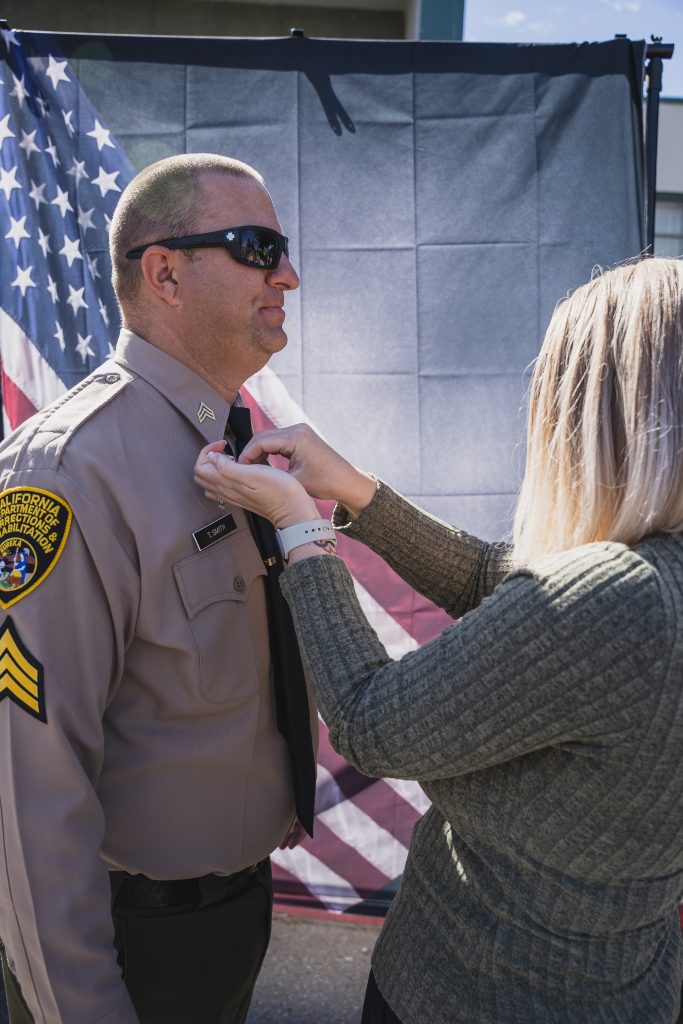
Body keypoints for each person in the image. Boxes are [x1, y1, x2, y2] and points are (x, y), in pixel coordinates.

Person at [194, 256, 683, 1024]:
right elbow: (505, 580)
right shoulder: (652, 580)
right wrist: (354, 489)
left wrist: (302, 531)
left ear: (594, 414)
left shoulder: (620, 599)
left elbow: (368, 721)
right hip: (618, 990)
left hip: (474, 992)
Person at [0, 153, 317, 1024]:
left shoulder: (238, 439)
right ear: (165, 272)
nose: (286, 274)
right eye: (257, 247)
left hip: (233, 916)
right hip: (131, 944)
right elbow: (29, 784)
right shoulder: (71, 469)